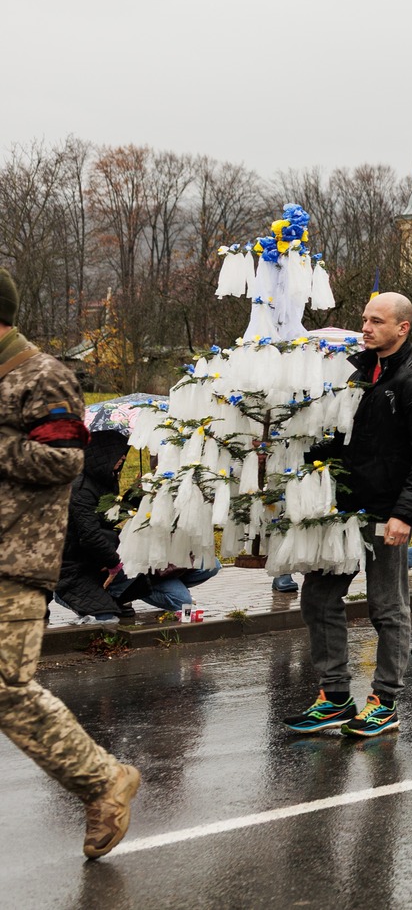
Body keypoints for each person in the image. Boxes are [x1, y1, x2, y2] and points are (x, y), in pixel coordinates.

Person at [0, 268, 142, 857]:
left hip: (14, 560)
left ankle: (102, 781)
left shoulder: (44, 376)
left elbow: (64, 460)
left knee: (6, 689)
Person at [283, 293, 412, 740]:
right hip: (342, 511)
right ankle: (335, 696)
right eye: (365, 319)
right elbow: (340, 439)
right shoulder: (358, 374)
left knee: (387, 607)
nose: (366, 327)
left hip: (385, 514)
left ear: (403, 328)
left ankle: (385, 701)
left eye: (377, 321)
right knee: (317, 598)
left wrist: (404, 513)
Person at [55, 430, 220, 621]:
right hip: (137, 562)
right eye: (120, 453)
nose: (124, 457)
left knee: (211, 565)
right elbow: (94, 532)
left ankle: (128, 591)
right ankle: (121, 594)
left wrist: (134, 495)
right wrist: (116, 563)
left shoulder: (109, 478)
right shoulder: (83, 488)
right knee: (176, 599)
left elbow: (109, 516)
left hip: (165, 560)